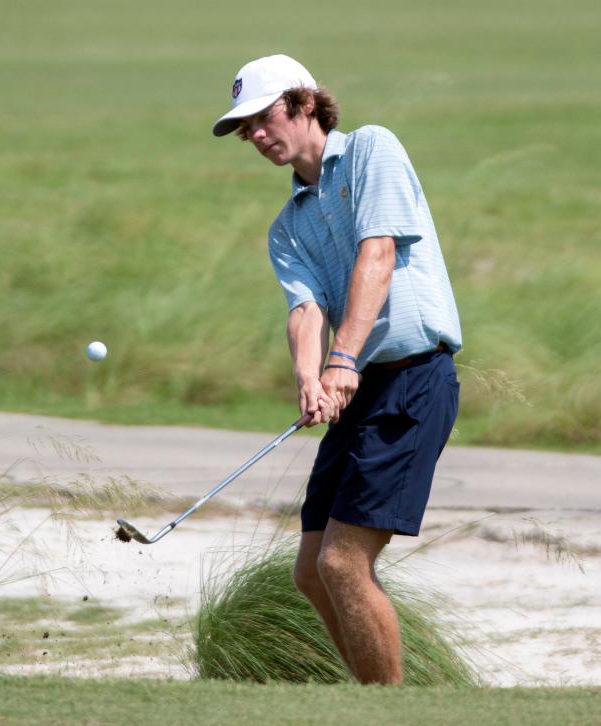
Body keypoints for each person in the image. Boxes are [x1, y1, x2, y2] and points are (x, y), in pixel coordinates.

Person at [212, 54, 462, 685]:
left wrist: (343, 358)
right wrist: (308, 375)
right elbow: (304, 311)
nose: (258, 136)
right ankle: (369, 697)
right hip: (355, 390)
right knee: (311, 569)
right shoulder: (286, 225)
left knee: (346, 562)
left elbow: (377, 255)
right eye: (247, 130)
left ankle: (391, 707)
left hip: (411, 377)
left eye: (265, 117)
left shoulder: (373, 149)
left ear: (302, 102)